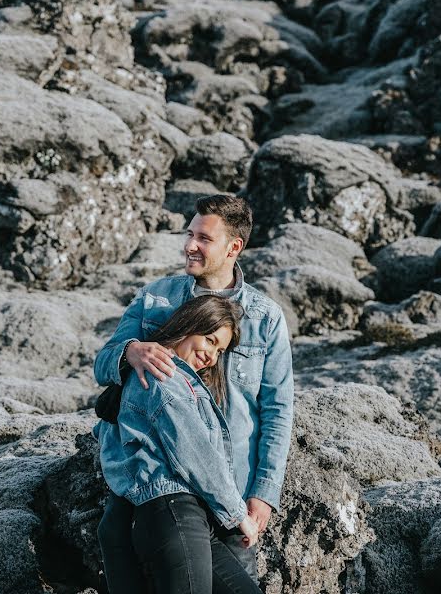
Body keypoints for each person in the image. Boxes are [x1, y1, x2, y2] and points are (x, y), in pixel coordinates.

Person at [94, 194, 294, 586]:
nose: (190, 246)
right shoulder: (156, 298)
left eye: (204, 238)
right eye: (190, 234)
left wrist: (264, 493)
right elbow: (103, 365)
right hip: (162, 490)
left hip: (230, 490)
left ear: (233, 247)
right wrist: (130, 351)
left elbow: (277, 409)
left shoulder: (266, 317)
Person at [94, 295, 262, 593]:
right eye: (209, 340)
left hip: (182, 518)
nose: (212, 356)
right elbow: (195, 452)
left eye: (220, 350)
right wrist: (238, 516)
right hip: (175, 512)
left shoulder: (164, 379)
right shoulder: (163, 376)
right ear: (189, 325)